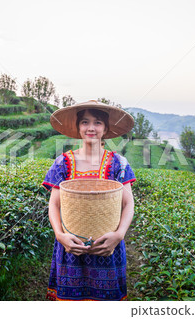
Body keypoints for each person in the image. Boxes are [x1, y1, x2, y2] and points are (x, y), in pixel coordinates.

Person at [42, 100, 136, 301]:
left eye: (98, 123)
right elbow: (54, 203)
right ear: (78, 127)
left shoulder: (119, 164)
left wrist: (118, 235)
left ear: (106, 128)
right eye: (85, 122)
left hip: (107, 248)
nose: (91, 128)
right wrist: (60, 235)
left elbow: (128, 203)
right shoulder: (63, 163)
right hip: (71, 247)